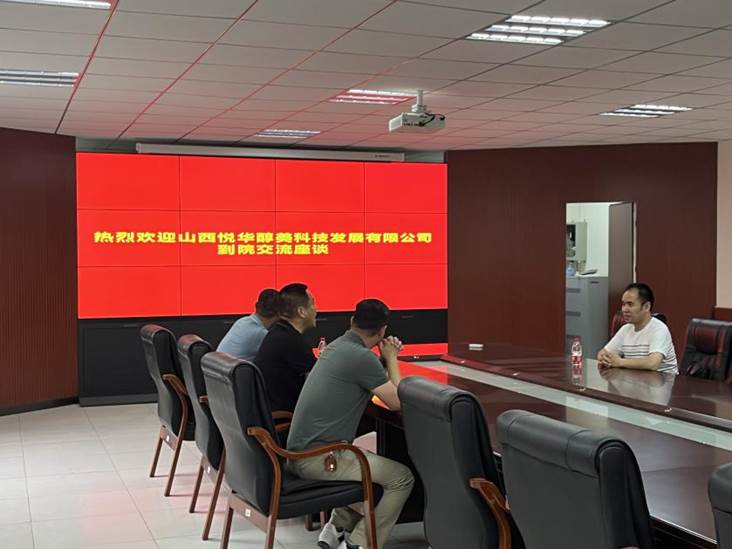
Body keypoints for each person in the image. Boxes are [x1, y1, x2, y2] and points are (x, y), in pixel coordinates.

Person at [286, 299, 414, 549]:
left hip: (301, 453)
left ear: (352, 321)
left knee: (369, 465)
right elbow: (398, 401)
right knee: (401, 478)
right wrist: (392, 357)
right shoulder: (360, 357)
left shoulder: (338, 346)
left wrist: (383, 360)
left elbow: (370, 377)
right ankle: (359, 543)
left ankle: (335, 529)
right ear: (382, 331)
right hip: (320, 459)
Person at [253, 282, 317, 412]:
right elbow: (320, 379)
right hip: (286, 417)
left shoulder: (277, 332)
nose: (316, 310)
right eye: (312, 304)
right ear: (301, 311)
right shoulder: (292, 341)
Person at [597, 282, 678, 374]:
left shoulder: (659, 329)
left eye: (630, 304)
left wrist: (620, 362)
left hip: (664, 381)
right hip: (635, 380)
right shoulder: (625, 329)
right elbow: (602, 353)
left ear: (646, 307)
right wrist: (605, 358)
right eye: (623, 304)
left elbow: (652, 363)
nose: (624, 309)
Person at [216, 289, 279, 361]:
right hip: (232, 367)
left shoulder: (242, 321)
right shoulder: (261, 333)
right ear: (279, 313)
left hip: (217, 366)